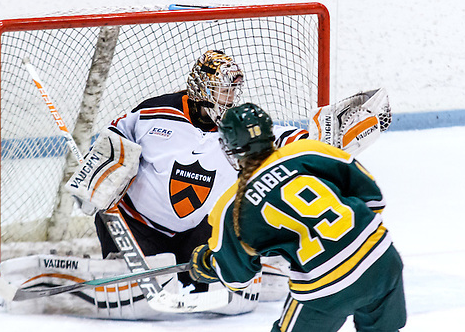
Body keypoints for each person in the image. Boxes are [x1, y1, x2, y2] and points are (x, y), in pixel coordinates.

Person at [91, 50, 308, 295]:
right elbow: (113, 141)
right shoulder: (154, 113)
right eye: (224, 89)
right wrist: (95, 180)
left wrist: (318, 141)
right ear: (203, 88)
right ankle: (116, 267)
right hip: (139, 225)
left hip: (195, 234)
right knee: (132, 287)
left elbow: (282, 138)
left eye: (234, 90)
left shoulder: (235, 126)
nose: (231, 97)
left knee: (205, 275)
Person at [189, 103, 407, 331]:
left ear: (231, 147)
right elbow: (373, 198)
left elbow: (238, 277)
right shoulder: (309, 150)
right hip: (383, 259)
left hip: (326, 287)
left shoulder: (232, 204)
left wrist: (209, 263)